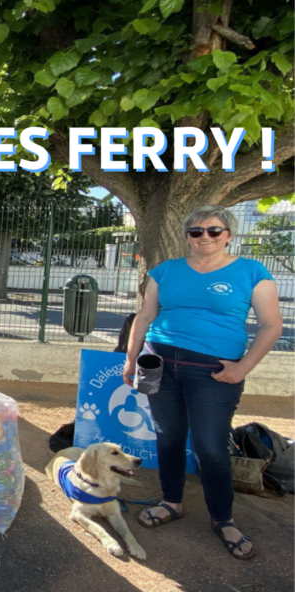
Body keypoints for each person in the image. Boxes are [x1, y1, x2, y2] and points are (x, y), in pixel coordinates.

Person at [123, 206, 282, 560]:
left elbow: (271, 325)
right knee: (168, 437)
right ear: (187, 237)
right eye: (196, 232)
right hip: (158, 362)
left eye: (214, 230)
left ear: (229, 234)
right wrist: (131, 358)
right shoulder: (165, 271)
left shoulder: (251, 272)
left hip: (214, 371)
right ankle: (172, 502)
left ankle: (223, 518)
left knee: (210, 447)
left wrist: (244, 368)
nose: (205, 237)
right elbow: (146, 315)